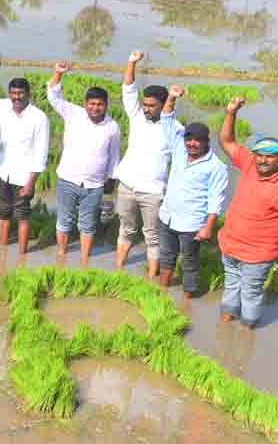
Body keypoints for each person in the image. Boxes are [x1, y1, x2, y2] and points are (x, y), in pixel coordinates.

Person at [216, 97, 278, 328]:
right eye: (259, 154)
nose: (263, 160)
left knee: (251, 294)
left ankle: (248, 329)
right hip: (230, 245)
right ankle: (226, 323)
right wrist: (231, 113)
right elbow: (227, 141)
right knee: (231, 285)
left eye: (270, 156)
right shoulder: (249, 163)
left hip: (258, 256)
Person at [154, 87, 228, 298]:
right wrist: (172, 97)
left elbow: (216, 200)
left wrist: (208, 228)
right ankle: (162, 291)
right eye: (189, 139)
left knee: (189, 262)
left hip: (191, 224)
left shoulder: (216, 167)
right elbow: (166, 119)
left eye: (197, 140)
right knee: (166, 256)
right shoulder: (179, 148)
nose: (192, 144)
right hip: (167, 216)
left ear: (207, 141)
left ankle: (188, 301)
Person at [47, 62, 121, 266]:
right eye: (92, 103)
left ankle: (84, 261)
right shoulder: (74, 114)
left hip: (94, 185)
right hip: (67, 180)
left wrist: (112, 179)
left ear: (106, 105)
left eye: (100, 104)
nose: (95, 108)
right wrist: (58, 74)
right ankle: (61, 255)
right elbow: (53, 96)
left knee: (87, 225)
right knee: (64, 220)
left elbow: (114, 156)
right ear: (85, 103)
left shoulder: (112, 127)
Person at [114, 51, 180, 278]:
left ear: (163, 106)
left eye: (152, 105)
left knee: (152, 236)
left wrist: (173, 98)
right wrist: (131, 62)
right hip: (127, 185)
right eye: (145, 104)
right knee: (126, 230)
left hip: (153, 191)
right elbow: (128, 87)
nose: (146, 108)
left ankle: (151, 278)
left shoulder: (175, 129)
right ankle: (118, 271)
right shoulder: (136, 116)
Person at [0, 60, 49, 255]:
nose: (16, 97)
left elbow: (41, 153)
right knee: (3, 211)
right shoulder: (2, 107)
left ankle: (22, 254)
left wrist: (31, 183)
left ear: (28, 94)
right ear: (9, 94)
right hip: (3, 172)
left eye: (20, 94)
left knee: (23, 215)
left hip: (23, 177)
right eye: (13, 93)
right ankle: (3, 250)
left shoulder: (39, 118)